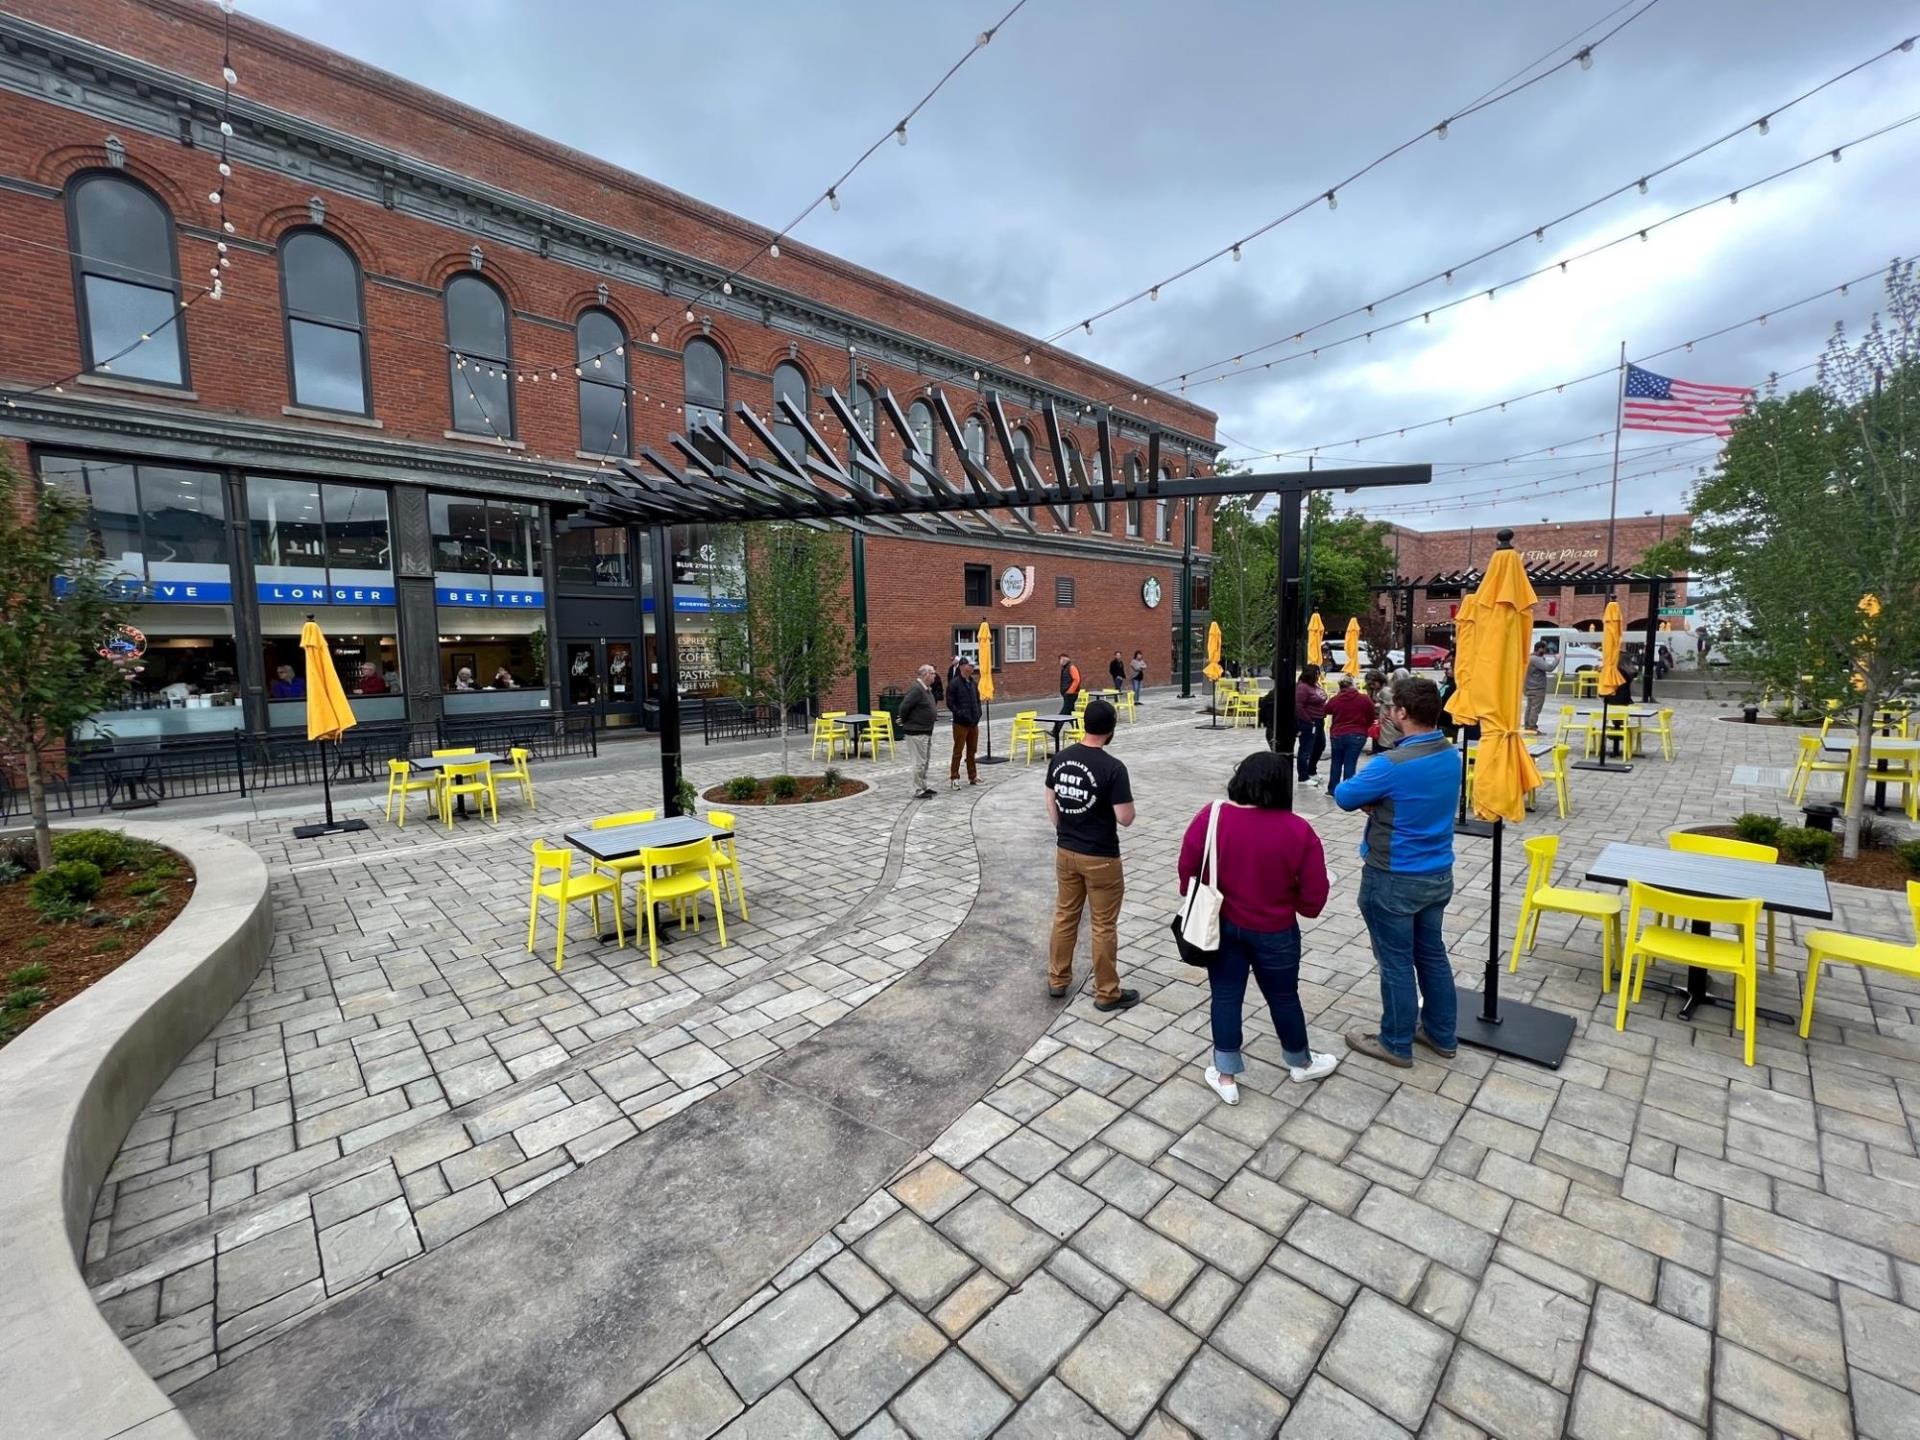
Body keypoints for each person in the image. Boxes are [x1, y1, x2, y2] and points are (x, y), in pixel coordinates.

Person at [1179, 751, 1339, 1102]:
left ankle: (1226, 1075)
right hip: (1276, 930)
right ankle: (1300, 1061)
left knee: (1225, 995)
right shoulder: (1298, 830)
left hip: (1221, 925)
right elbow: (1313, 901)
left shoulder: (1212, 816)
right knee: (1283, 996)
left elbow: (1187, 869)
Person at [1332, 676, 1460, 1069]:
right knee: (1433, 956)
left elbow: (1344, 795)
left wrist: (1377, 803)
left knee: (1396, 961)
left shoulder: (1393, 763)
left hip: (1394, 875)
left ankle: (1396, 1041)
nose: (1387, 714)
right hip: (1438, 872)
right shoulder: (1449, 754)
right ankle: (1441, 1034)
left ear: (1402, 713)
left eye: (1390, 709)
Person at [1045, 699, 1138, 1012]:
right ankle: (1107, 992)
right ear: (1110, 731)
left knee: (1065, 915)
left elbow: (1051, 802)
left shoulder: (1060, 759)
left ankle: (1057, 978)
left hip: (1066, 850)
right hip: (1101, 856)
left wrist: (1066, 831)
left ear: (1084, 724)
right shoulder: (1113, 768)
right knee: (1102, 925)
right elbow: (1125, 818)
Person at [1325, 674, 1375, 796]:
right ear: (1353, 685)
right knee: (1350, 763)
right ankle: (1348, 791)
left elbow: (1326, 710)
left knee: (1336, 762)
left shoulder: (1335, 700)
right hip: (1358, 734)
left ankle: (1332, 790)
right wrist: (1365, 726)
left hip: (1338, 734)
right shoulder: (1364, 699)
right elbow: (1371, 715)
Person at [898, 664, 939, 799]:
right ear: (925, 675)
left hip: (926, 731)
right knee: (919, 762)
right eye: (932, 673)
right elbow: (904, 707)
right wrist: (906, 720)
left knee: (925, 761)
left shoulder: (926, 690)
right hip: (917, 732)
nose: (934, 675)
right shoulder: (916, 689)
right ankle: (918, 789)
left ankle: (923, 785)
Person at [946, 657, 982, 789]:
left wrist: (978, 713)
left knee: (972, 750)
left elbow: (977, 700)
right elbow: (950, 703)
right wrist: (960, 713)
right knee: (958, 751)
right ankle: (954, 777)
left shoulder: (973, 683)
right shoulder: (954, 684)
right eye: (969, 665)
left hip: (973, 722)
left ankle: (972, 776)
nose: (972, 668)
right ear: (961, 666)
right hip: (960, 723)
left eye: (973, 666)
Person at [1294, 665, 1328, 789]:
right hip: (1309, 722)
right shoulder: (1303, 687)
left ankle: (1311, 770)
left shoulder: (1316, 685)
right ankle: (1303, 776)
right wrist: (1308, 721)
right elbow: (1299, 706)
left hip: (1320, 720)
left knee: (1320, 745)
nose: (1319, 676)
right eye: (1317, 674)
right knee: (1306, 749)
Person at [1523, 641, 1555, 733]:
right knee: (1536, 708)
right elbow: (1549, 668)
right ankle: (1532, 726)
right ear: (1540, 648)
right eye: (1544, 649)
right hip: (1537, 688)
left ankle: (1528, 725)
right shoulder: (1536, 659)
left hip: (1529, 687)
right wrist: (1556, 659)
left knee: (1530, 707)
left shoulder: (1530, 657)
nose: (1545, 651)